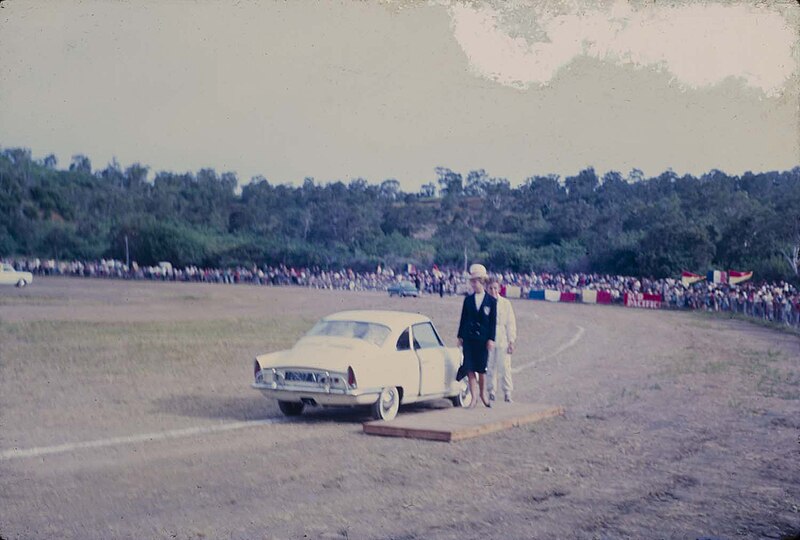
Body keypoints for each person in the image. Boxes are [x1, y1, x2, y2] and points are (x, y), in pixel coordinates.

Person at [457, 263, 497, 408]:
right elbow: (463, 319)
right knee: (469, 368)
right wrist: (460, 336)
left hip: (483, 340)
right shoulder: (468, 300)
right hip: (469, 338)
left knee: (482, 369)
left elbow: (492, 322)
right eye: (472, 281)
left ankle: (482, 394)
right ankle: (473, 397)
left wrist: (491, 339)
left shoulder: (491, 301)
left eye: (475, 281)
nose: (473, 284)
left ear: (482, 281)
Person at [487, 278, 517, 402]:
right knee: (490, 366)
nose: (493, 290)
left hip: (502, 336)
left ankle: (507, 392)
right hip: (488, 337)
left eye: (495, 288)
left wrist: (511, 341)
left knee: (505, 366)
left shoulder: (505, 303)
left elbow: (511, 323)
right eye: (490, 288)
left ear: (499, 289)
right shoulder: (485, 302)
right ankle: (491, 391)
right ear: (487, 289)